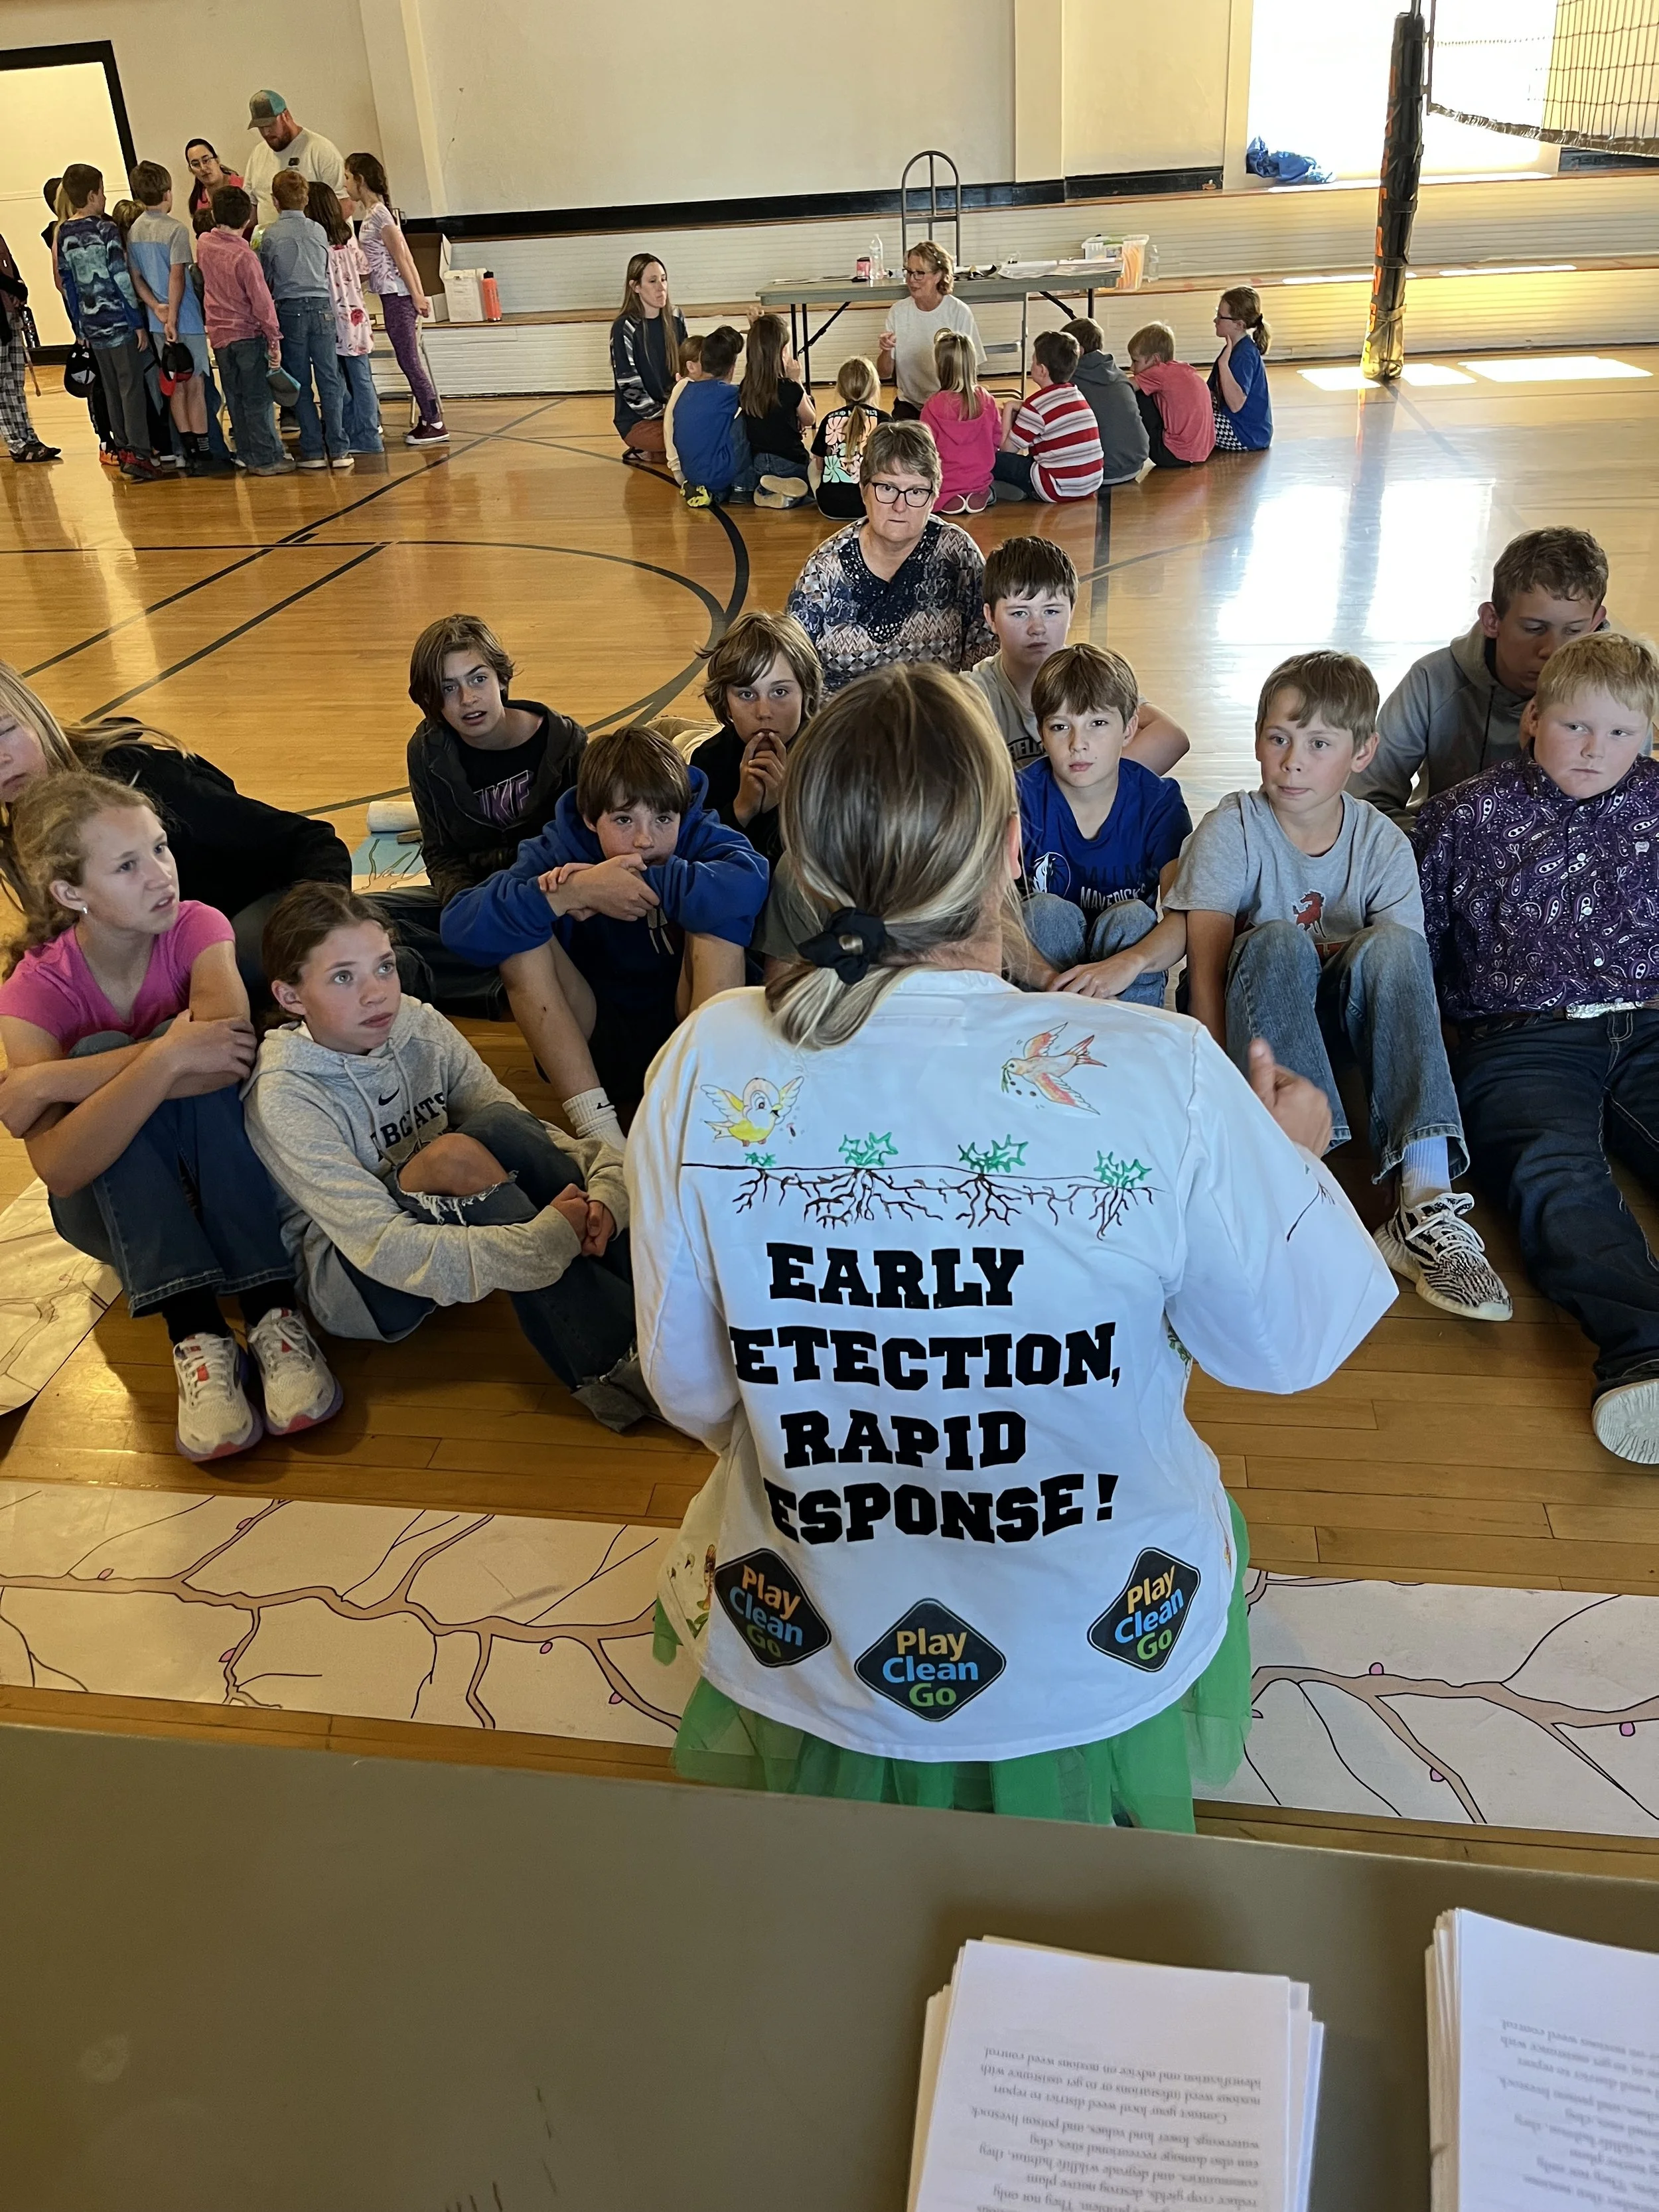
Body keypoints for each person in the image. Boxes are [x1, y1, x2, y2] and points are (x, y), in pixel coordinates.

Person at [628, 662, 1395, 1827]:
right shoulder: (1165, 1069)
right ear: (1008, 851)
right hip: (1091, 1627)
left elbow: (690, 1388)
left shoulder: (705, 1058)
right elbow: (1287, 1347)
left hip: (823, 1612)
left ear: (807, 858)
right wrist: (1290, 1153)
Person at [0, 774, 342, 1463]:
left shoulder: (197, 926)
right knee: (121, 1053)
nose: (161, 874)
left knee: (155, 1065)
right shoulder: (35, 988)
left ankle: (272, 1311)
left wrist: (47, 1081)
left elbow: (226, 1060)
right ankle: (195, 1332)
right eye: (128, 866)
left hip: (226, 1179)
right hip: (115, 1211)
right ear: (71, 894)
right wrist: (162, 1060)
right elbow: (61, 1168)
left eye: (160, 848)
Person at [1166, 649, 1512, 1323]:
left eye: (1318, 743)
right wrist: (1213, 1077)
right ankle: (1301, 1188)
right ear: (1258, 740)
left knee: (1393, 945)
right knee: (1275, 938)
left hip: (1338, 1026)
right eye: (1278, 738)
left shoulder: (1381, 843)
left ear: (1362, 753)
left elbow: (1404, 983)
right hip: (1252, 1022)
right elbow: (1203, 969)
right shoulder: (1233, 825)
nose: (1292, 760)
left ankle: (1424, 1197)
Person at [243, 884, 655, 1432]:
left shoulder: (418, 1024)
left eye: (384, 967)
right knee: (453, 1157)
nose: (376, 994)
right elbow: (382, 1246)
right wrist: (541, 1243)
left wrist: (606, 1189)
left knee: (498, 1126)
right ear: (291, 997)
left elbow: (523, 1131)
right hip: (359, 1281)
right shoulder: (284, 1092)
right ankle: (619, 1368)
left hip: (449, 1228)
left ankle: (663, 1310)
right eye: (344, 977)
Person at [1413, 632, 1659, 1463]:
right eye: (1575, 727)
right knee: (1552, 1170)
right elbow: (1411, 941)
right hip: (1523, 1035)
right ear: (1532, 720)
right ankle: (1642, 1350)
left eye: (1621, 734)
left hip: (1651, 1018)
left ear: (1649, 736)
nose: (1596, 750)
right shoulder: (1462, 817)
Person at [440, 726, 768, 1136]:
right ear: (591, 819)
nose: (645, 838)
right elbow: (459, 926)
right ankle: (598, 1133)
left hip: (685, 1028)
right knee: (519, 933)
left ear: (682, 814)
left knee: (719, 917)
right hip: (595, 1041)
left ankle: (705, 1109)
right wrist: (571, 893)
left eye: (663, 818)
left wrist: (649, 883)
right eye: (624, 819)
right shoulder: (560, 848)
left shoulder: (699, 835)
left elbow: (751, 882)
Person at [0, 664, 352, 1003]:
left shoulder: (136, 776)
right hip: (166, 960)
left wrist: (330, 932)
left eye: (5, 731)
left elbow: (310, 842)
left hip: (256, 922)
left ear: (34, 714)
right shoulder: (17, 827)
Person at [389, 612, 587, 1017]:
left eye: (478, 679)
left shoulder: (566, 742)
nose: (467, 699)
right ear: (431, 700)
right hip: (479, 901)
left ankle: (500, 978)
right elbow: (441, 853)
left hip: (548, 901)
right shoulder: (427, 752)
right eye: (449, 688)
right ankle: (507, 984)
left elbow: (584, 843)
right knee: (363, 920)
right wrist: (468, 911)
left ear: (501, 678)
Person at [1351, 526, 1611, 821]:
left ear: (1595, 622)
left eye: (1573, 631)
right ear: (1492, 620)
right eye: (1533, 628)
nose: (1551, 650)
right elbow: (1367, 800)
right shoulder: (1432, 681)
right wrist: (1442, 851)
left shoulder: (1621, 698)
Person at [1015, 644, 1191, 1008]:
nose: (1078, 744)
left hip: (1124, 977)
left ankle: (1133, 1043)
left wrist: (1131, 963)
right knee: (1043, 912)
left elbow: (1183, 920)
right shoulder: (1020, 798)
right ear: (1041, 733)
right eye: (1061, 726)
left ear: (1128, 730)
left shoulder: (1158, 802)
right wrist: (1050, 979)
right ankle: (1043, 1036)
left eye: (1097, 724)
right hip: (1046, 979)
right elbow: (990, 913)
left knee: (1134, 918)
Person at [785, 420, 994, 694]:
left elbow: (987, 652)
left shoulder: (958, 553)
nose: (900, 506)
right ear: (863, 490)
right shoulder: (823, 572)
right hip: (846, 728)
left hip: (939, 722)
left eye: (917, 492)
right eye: (887, 488)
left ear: (933, 498)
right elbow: (793, 672)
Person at [965, 537, 1190, 776]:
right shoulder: (975, 692)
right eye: (1020, 613)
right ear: (991, 618)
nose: (1037, 628)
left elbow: (1172, 737)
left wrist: (1091, 788)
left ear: (1071, 610)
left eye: (1051, 611)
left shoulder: (1088, 674)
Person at [687, 611, 824, 865]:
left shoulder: (828, 760)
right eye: (747, 695)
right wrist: (742, 808)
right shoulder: (709, 760)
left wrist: (781, 805)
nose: (763, 712)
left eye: (780, 692)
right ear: (725, 703)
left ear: (806, 694)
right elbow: (698, 858)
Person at [54, 164, 161, 484]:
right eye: (102, 192)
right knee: (131, 388)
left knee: (112, 388)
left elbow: (68, 283)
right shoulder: (105, 229)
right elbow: (120, 276)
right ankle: (141, 454)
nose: (104, 198)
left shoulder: (65, 234)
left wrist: (78, 326)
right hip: (117, 320)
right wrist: (137, 321)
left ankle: (124, 450)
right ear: (91, 195)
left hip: (91, 323)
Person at [125, 161, 223, 475]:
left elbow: (136, 277)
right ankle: (204, 452)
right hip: (186, 319)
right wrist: (174, 316)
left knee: (174, 385)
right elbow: (177, 275)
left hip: (157, 320)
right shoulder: (176, 229)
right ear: (168, 193)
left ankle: (186, 451)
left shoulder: (135, 230)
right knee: (194, 385)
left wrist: (156, 308)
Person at [344, 153, 446, 448]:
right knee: (407, 359)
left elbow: (402, 256)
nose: (345, 184)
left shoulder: (379, 215)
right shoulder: (375, 213)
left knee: (409, 359)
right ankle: (429, 418)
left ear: (360, 180)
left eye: (348, 177)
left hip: (397, 296)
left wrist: (417, 294)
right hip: (391, 294)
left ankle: (434, 420)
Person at [259, 169, 351, 471]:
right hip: (322, 306)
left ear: (275, 201)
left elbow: (267, 277)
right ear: (306, 198)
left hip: (290, 308)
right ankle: (338, 448)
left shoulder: (271, 234)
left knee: (299, 380)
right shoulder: (319, 231)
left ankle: (312, 449)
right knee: (330, 378)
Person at [198, 184, 290, 475]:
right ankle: (267, 458)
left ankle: (247, 454)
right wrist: (274, 339)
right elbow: (262, 303)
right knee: (258, 399)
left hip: (219, 336)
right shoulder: (246, 257)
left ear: (214, 214)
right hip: (248, 336)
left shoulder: (204, 243)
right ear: (248, 220)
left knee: (235, 396)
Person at [307, 180, 382, 456]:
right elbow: (365, 268)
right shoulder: (347, 236)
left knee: (335, 380)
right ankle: (370, 434)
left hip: (329, 318)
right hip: (355, 316)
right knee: (362, 377)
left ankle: (349, 431)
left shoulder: (316, 241)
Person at [993, 329, 1105, 505]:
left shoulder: (1036, 405)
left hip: (1056, 489)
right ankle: (1023, 489)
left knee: (994, 460)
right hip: (1090, 485)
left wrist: (1009, 408)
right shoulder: (1076, 394)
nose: (1032, 365)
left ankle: (1021, 489)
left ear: (1042, 370)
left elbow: (1007, 450)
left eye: (1033, 361)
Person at [877, 240, 985, 418]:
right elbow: (883, 373)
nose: (912, 280)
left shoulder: (958, 311)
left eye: (920, 273)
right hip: (910, 404)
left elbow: (971, 373)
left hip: (950, 404)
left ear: (938, 276)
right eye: (909, 272)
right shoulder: (898, 311)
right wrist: (886, 351)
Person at [610, 252, 685, 464]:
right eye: (652, 281)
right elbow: (631, 389)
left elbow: (687, 370)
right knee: (692, 438)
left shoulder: (676, 317)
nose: (661, 287)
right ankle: (647, 448)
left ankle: (655, 454)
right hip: (641, 420)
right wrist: (667, 414)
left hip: (673, 415)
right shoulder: (624, 328)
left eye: (663, 279)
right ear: (636, 287)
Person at [735, 311, 814, 508]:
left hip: (760, 463)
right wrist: (797, 380)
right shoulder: (790, 388)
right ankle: (792, 496)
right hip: (791, 461)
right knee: (815, 477)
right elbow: (810, 419)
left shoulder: (747, 386)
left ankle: (767, 492)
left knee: (772, 477)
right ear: (783, 352)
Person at [1061, 317, 1148, 486]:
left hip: (1098, 471)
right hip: (1135, 466)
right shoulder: (1120, 376)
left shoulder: (1070, 383)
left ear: (1079, 351)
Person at [242, 92, 346, 231]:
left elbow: (345, 203)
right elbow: (252, 207)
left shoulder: (320, 150)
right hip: (272, 246)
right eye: (261, 127)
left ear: (286, 116)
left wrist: (312, 237)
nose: (266, 132)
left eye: (270, 124)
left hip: (315, 246)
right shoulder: (257, 154)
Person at [921, 330, 997, 515]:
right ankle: (978, 492)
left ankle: (951, 496)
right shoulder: (986, 400)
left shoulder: (932, 405)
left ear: (940, 367)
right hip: (979, 477)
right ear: (972, 364)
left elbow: (926, 450)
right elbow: (996, 441)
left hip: (946, 481)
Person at [671, 324, 746, 507]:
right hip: (716, 474)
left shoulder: (687, 390)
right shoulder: (727, 393)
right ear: (732, 368)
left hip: (690, 472)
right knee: (747, 420)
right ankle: (743, 487)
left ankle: (708, 489)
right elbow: (758, 397)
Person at [0, 230, 58, 463]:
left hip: (8, 315)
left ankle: (28, 437)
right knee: (2, 385)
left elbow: (10, 268)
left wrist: (19, 290)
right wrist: (15, 288)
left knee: (15, 383)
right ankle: (16, 443)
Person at [1127, 322, 1215, 469]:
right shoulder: (1183, 370)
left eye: (1135, 361)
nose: (1131, 368)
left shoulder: (1159, 373)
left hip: (1171, 455)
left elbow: (1123, 386)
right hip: (1203, 451)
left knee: (1137, 393)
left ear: (1156, 360)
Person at [809, 355, 885, 520]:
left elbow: (820, 465)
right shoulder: (884, 420)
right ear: (873, 388)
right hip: (873, 507)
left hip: (831, 507)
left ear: (841, 389)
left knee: (812, 465)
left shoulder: (830, 419)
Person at [1208, 287, 1273, 453]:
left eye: (1220, 317)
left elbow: (1236, 404)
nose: (1215, 321)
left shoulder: (1244, 355)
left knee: (1192, 420)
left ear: (1239, 325)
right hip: (1238, 426)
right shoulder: (1232, 349)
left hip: (1246, 434)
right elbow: (1211, 394)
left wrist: (1223, 366)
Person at [660, 332, 703, 484]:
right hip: (682, 465)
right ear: (691, 367)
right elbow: (670, 427)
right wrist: (676, 465)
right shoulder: (686, 388)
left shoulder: (689, 386)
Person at [184, 139, 242, 226]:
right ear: (191, 170)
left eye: (206, 160)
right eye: (196, 164)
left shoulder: (243, 186)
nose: (203, 168)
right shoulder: (198, 201)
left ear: (217, 160)